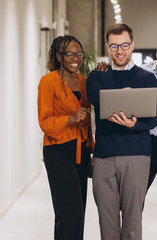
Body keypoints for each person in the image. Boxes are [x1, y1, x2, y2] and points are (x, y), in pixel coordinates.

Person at [96, 31, 157, 240]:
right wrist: (104, 67)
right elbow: (121, 73)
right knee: (133, 204)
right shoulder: (145, 72)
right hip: (147, 144)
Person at [86, 23, 157, 240]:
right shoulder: (96, 77)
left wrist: (133, 125)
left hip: (137, 155)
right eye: (115, 46)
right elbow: (96, 99)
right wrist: (124, 94)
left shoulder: (147, 79)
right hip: (104, 157)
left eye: (125, 45)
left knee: (132, 222)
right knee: (107, 221)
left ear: (133, 45)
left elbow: (153, 118)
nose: (120, 51)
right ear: (108, 47)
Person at [37, 35, 94, 240]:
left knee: (80, 212)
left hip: (82, 150)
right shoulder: (48, 81)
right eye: (70, 53)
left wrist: (92, 150)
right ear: (59, 56)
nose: (75, 58)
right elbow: (44, 122)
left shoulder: (84, 81)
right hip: (58, 151)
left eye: (79, 53)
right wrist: (70, 118)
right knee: (68, 212)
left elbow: (88, 121)